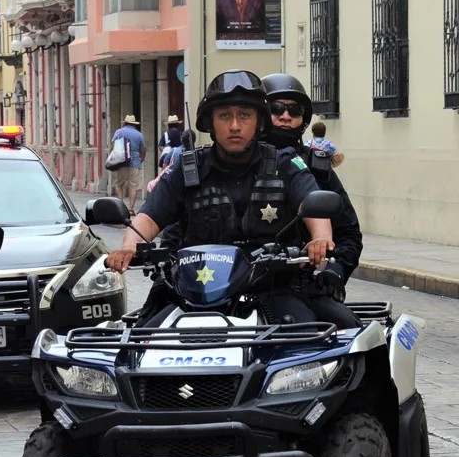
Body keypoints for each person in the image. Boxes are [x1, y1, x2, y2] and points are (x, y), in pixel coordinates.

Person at [106, 70, 336, 326]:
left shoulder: (285, 164)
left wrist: (321, 238)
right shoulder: (186, 169)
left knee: (327, 336)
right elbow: (149, 217)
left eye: (244, 116)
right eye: (225, 115)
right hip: (192, 293)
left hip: (272, 288)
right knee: (141, 342)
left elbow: (312, 204)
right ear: (210, 122)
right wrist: (129, 246)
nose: (235, 125)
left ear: (258, 121)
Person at [261, 73, 362, 328]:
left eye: (293, 110)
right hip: (230, 284)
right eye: (276, 109)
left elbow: (349, 232)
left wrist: (334, 270)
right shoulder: (237, 162)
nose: (285, 116)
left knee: (354, 335)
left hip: (297, 284)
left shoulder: (316, 168)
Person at [111, 114, 146, 216]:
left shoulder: (119, 132)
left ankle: (120, 207)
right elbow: (143, 150)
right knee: (133, 186)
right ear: (134, 124)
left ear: (125, 123)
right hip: (135, 162)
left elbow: (113, 147)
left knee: (119, 185)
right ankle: (131, 209)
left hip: (121, 162)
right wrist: (140, 160)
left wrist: (112, 159)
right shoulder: (139, 135)